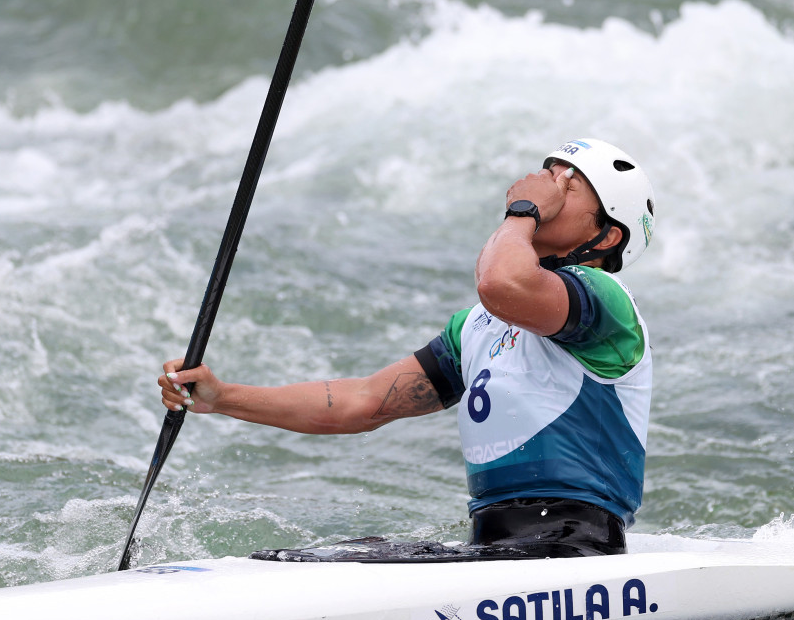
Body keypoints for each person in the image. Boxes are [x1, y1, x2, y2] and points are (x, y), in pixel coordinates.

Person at [159, 138, 656, 558]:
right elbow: (362, 402)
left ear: (607, 234)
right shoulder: (477, 328)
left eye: (568, 185)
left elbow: (501, 280)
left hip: (575, 546)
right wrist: (222, 398)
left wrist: (522, 212)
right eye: (548, 172)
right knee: (315, 557)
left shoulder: (604, 300)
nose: (545, 185)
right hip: (495, 545)